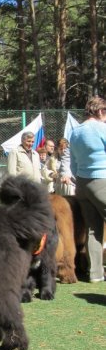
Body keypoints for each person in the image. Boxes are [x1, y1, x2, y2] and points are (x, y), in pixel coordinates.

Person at [70, 96, 106, 282]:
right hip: (102, 180)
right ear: (100, 111)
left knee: (93, 229)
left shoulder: (75, 132)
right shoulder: (102, 128)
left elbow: (73, 162)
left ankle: (96, 274)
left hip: (82, 184)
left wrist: (79, 179)